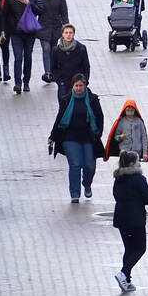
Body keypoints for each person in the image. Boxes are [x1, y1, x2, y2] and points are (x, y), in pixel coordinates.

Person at [49, 73, 107, 202]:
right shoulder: (66, 100)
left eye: (81, 85)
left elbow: (100, 118)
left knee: (90, 166)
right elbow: (59, 118)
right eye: (76, 86)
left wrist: (98, 133)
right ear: (72, 86)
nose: (79, 88)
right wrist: (52, 137)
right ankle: (74, 194)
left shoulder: (93, 100)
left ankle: (87, 184)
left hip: (88, 137)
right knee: (75, 165)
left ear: (85, 86)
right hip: (70, 138)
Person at [112, 150, 148, 292]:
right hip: (135, 218)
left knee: (129, 248)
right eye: (137, 160)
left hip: (121, 217)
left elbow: (115, 195)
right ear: (131, 163)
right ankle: (124, 273)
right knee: (140, 248)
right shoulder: (139, 179)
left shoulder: (118, 178)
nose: (139, 163)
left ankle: (127, 281)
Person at [3, 0, 42, 93]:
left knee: (28, 57)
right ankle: (18, 83)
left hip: (30, 33)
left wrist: (28, 4)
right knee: (18, 57)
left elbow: (40, 10)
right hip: (16, 33)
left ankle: (26, 82)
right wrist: (4, 30)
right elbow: (4, 15)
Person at [35, 0, 68, 83]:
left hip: (56, 26)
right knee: (46, 48)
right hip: (43, 25)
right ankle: (47, 73)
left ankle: (53, 71)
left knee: (53, 49)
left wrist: (66, 25)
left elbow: (64, 11)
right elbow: (35, 10)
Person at [51, 23, 90, 102]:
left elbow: (86, 66)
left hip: (77, 84)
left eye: (70, 33)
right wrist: (59, 81)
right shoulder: (56, 50)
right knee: (63, 107)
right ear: (62, 34)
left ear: (73, 34)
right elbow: (53, 67)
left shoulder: (81, 49)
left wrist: (84, 81)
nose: (68, 35)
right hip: (63, 84)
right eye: (66, 33)